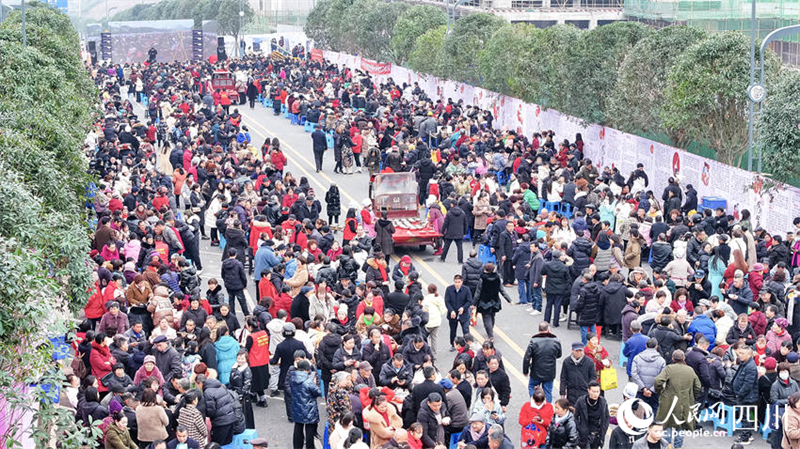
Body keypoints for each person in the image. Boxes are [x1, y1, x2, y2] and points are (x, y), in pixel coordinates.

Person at [654, 350, 702, 449]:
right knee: (681, 425)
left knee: (667, 423)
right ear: (684, 358)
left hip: (668, 400)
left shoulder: (669, 368)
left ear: (673, 359)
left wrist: (660, 390)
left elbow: (658, 380)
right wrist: (691, 396)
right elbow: (698, 386)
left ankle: (667, 446)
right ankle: (678, 446)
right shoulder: (690, 370)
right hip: (684, 401)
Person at [522, 321, 562, 402]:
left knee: (532, 387)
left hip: (536, 371)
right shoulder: (556, 341)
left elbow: (527, 358)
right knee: (548, 391)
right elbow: (559, 355)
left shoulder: (534, 341)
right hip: (549, 372)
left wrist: (525, 371)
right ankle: (547, 407)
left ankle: (535, 403)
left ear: (539, 330)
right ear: (548, 329)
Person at [473, 263, 513, 339]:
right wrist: (509, 300)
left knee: (486, 318)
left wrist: (473, 303)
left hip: (484, 301)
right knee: (492, 316)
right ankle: (491, 329)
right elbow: (502, 290)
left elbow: (478, 292)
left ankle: (490, 334)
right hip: (495, 300)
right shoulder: (497, 278)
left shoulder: (482, 278)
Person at [290, 359, 321, 449]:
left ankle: (297, 447)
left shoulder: (292, 378)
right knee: (309, 430)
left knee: (298, 427)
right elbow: (317, 392)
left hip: (297, 407)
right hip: (309, 408)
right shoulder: (308, 381)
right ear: (306, 369)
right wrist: (314, 383)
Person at [574, 381, 609, 449]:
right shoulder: (581, 401)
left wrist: (604, 429)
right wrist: (580, 429)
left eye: (598, 391)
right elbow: (575, 416)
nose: (596, 394)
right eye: (593, 391)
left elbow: (607, 417)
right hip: (585, 436)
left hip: (598, 435)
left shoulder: (603, 402)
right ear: (588, 390)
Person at [560, 342, 596, 406]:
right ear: (572, 350)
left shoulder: (589, 362)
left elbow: (593, 377)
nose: (579, 352)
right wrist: (562, 393)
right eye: (577, 351)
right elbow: (563, 378)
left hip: (585, 392)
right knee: (572, 409)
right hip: (571, 392)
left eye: (580, 350)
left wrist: (592, 391)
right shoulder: (567, 361)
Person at [445, 274, 473, 350]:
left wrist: (463, 308)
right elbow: (447, 301)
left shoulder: (466, 289)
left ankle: (467, 345)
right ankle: (453, 344)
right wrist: (451, 311)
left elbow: (469, 301)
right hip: (453, 314)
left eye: (459, 282)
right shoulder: (449, 289)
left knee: (466, 330)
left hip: (464, 314)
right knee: (453, 330)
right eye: (456, 282)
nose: (457, 284)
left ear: (462, 282)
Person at [221, 248, 249, 316]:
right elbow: (243, 276)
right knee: (242, 301)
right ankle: (246, 314)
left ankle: (232, 315)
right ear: (236, 254)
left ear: (228, 254)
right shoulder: (238, 264)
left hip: (229, 285)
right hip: (238, 285)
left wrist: (226, 281)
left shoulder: (224, 263)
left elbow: (222, 274)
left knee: (231, 300)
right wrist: (244, 285)